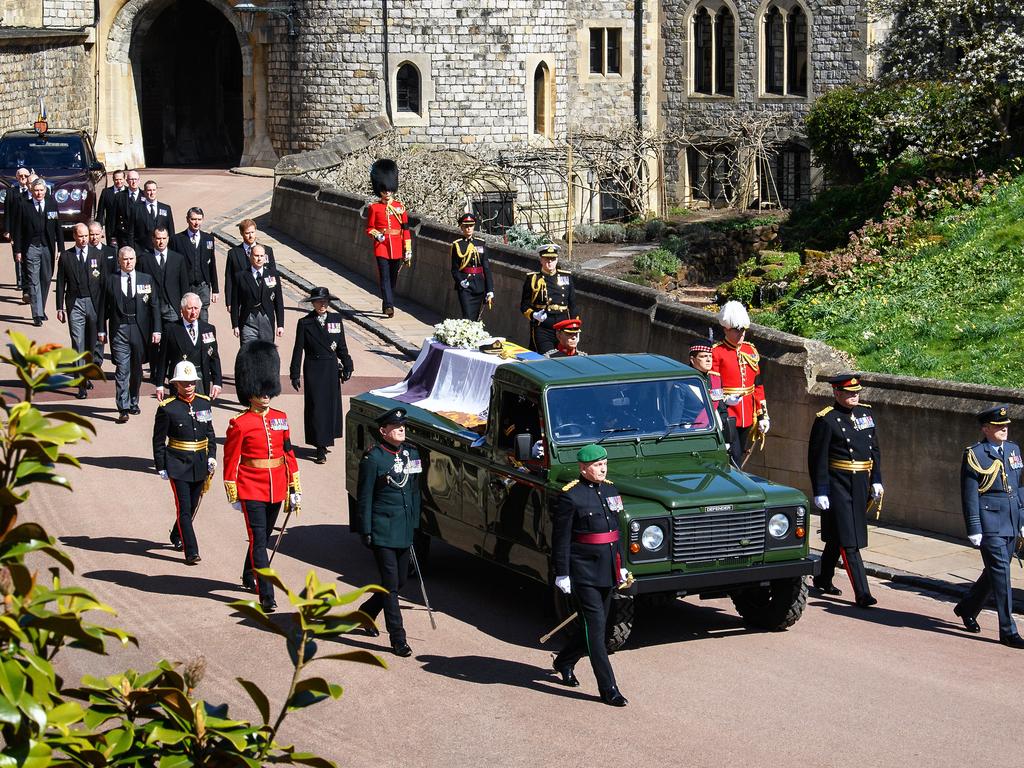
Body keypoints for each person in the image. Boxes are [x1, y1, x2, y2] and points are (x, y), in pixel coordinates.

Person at [222, 341, 300, 612]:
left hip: (276, 486)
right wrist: (233, 491)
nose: (265, 395)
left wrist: (294, 487)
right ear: (250, 390)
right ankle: (266, 593)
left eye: (268, 390)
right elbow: (230, 459)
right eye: (260, 390)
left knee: (262, 538)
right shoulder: (239, 423)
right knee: (257, 538)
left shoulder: (281, 418)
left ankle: (247, 572)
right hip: (251, 488)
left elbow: (288, 453)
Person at [552, 443, 629, 707]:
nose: (602, 468)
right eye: (597, 465)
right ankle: (609, 688)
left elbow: (616, 532)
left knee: (599, 626)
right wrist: (562, 574)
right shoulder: (571, 496)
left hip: (607, 569)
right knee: (596, 629)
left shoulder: (610, 489)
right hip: (583, 571)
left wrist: (622, 564)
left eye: (604, 463)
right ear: (583, 468)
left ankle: (564, 660)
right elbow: (561, 539)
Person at [807, 373, 882, 607]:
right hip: (837, 484)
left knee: (839, 535)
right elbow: (817, 458)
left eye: (856, 393)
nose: (854, 397)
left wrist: (877, 480)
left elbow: (874, 450)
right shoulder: (827, 419)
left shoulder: (865, 414)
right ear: (837, 393)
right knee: (850, 539)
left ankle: (822, 577)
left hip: (860, 482)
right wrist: (820, 490)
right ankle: (863, 593)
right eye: (849, 393)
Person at [953, 405, 1024, 647]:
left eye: (1005, 426)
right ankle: (1008, 631)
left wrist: (1022, 520)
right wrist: (974, 527)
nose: (1004, 429)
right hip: (990, 523)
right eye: (998, 427)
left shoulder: (1013, 449)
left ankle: (967, 607)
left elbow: (1017, 489)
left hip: (1012, 521)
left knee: (993, 574)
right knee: (1003, 575)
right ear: (986, 429)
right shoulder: (975, 454)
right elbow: (970, 495)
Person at [355, 407, 422, 657]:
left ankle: (366, 613)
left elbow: (414, 491)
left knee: (399, 581)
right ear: (384, 431)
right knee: (391, 586)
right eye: (396, 427)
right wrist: (366, 529)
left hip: (403, 528)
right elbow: (365, 496)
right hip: (382, 529)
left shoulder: (412, 453)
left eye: (403, 425)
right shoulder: (373, 458)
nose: (401, 429)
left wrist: (415, 524)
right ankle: (398, 638)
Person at [153, 360, 216, 565]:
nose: (188, 386)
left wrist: (212, 456)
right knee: (184, 508)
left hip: (199, 462)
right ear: (176, 384)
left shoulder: (203, 402)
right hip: (177, 463)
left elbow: (209, 433)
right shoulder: (167, 408)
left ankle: (176, 534)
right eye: (184, 383)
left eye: (191, 382)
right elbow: (158, 440)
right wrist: (161, 465)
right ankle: (191, 551)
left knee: (192, 504)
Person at [289, 286, 354, 464]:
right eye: (319, 301)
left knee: (329, 406)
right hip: (314, 369)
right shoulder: (305, 323)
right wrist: (294, 373)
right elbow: (298, 349)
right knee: (317, 407)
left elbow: (341, 345)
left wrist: (348, 363)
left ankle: (326, 440)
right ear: (313, 303)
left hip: (331, 368)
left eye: (325, 301)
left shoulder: (335, 319)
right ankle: (319, 446)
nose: (322, 304)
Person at [97, 246, 162, 423]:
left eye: (131, 259)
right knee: (122, 369)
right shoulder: (110, 280)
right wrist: (101, 329)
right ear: (119, 261)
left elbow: (154, 306)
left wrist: (157, 330)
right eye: (125, 259)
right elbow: (102, 307)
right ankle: (123, 406)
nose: (128, 262)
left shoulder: (145, 279)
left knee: (136, 369)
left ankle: (134, 400)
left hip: (140, 329)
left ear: (135, 260)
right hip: (120, 329)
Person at [711, 300, 768, 467]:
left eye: (743, 330)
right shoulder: (717, 352)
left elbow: (757, 385)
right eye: (737, 330)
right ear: (725, 329)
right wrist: (724, 399)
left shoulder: (750, 350)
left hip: (748, 412)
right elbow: (714, 385)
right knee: (733, 455)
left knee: (741, 454)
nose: (741, 334)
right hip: (728, 413)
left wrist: (763, 415)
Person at [55, 223, 105, 398]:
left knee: (91, 345)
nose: (84, 239)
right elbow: (61, 282)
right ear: (74, 236)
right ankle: (81, 383)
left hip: (93, 303)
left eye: (86, 236)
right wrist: (59, 307)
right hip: (74, 303)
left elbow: (104, 284)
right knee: (78, 342)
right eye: (81, 236)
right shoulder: (66, 257)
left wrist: (105, 307)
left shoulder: (98, 255)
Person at [365, 159, 412, 318]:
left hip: (397, 246)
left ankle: (389, 299)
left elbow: (405, 230)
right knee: (384, 276)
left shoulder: (400, 207)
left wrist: (408, 250)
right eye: (384, 190)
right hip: (382, 246)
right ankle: (388, 305)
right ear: (380, 190)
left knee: (393, 278)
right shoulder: (374, 207)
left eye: (389, 190)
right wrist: (377, 235)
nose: (387, 192)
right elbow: (369, 228)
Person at [154, 292, 223, 400]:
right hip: (180, 381)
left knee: (201, 413)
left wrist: (217, 383)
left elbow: (214, 358)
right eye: (190, 308)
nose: (193, 312)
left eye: (196, 308)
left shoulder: (208, 329)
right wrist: (160, 385)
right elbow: (163, 360)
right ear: (182, 310)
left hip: (200, 379)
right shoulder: (171, 329)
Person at [14, 177, 64, 327]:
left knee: (46, 277)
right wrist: (18, 250)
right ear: (31, 191)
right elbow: (18, 230)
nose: (39, 193)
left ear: (45, 191)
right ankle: (37, 313)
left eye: (41, 190)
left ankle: (41, 307)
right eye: (36, 190)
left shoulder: (51, 204)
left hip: (48, 247)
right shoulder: (24, 206)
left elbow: (57, 227)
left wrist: (61, 248)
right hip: (31, 247)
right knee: (34, 280)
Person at [520, 243, 577, 353]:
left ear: (557, 260)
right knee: (547, 357)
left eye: (552, 259)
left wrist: (574, 328)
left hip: (563, 327)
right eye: (546, 259)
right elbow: (524, 305)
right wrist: (534, 315)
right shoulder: (533, 278)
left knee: (566, 358)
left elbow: (572, 304)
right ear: (541, 260)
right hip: (543, 326)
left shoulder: (566, 277)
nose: (549, 262)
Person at [170, 207, 219, 323]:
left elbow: (212, 264)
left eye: (199, 219)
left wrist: (215, 289)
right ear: (187, 220)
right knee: (186, 316)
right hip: (186, 285)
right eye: (193, 219)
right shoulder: (177, 240)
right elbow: (173, 267)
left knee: (203, 316)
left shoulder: (208, 239)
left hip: (203, 286)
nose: (196, 223)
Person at [139, 227, 188, 338]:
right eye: (158, 238)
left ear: (168, 239)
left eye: (164, 238)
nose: (161, 241)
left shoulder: (178, 259)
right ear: (153, 239)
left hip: (172, 306)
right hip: (151, 306)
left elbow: (184, 285)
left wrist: (183, 306)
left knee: (173, 337)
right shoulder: (144, 259)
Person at [230, 244, 284, 346]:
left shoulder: (273, 275)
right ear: (250, 256)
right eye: (256, 256)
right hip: (248, 320)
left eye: (261, 256)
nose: (259, 259)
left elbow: (279, 301)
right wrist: (235, 325)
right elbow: (235, 303)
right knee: (248, 352)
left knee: (267, 352)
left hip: (267, 319)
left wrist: (280, 324)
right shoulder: (241, 276)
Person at [223, 219, 276, 315]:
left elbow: (273, 274)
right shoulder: (233, 253)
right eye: (247, 233)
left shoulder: (267, 251)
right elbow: (229, 278)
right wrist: (229, 301)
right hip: (242, 299)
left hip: (263, 298)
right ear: (241, 233)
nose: (251, 235)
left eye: (253, 232)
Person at [449, 212, 493, 320]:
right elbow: (454, 269)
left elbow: (486, 268)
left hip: (479, 284)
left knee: (477, 316)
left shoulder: (480, 243)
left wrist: (490, 289)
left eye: (471, 226)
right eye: (466, 226)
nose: (468, 229)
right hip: (466, 286)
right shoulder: (457, 245)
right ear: (461, 227)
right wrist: (460, 281)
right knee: (467, 315)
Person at [688, 340, 731, 445]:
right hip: (693, 433)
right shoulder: (684, 382)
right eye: (703, 356)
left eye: (710, 356)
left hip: (715, 434)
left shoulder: (715, 379)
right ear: (692, 360)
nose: (708, 360)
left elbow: (721, 409)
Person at [3, 167, 31, 291]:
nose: (23, 178)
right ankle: (20, 281)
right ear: (17, 178)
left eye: (25, 176)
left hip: (29, 230)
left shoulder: (32, 192)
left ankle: (28, 281)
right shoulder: (11, 192)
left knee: (29, 255)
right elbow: (7, 213)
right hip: (16, 230)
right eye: (21, 176)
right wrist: (7, 230)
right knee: (17, 255)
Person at [133, 180, 175, 248]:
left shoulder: (166, 208)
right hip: (142, 250)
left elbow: (171, 231)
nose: (152, 193)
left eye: (154, 190)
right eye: (149, 190)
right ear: (144, 192)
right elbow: (131, 232)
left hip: (161, 249)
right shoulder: (136, 209)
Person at [97, 169, 126, 249]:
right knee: (113, 251)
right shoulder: (106, 192)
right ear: (113, 179)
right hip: (111, 229)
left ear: (124, 179)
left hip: (126, 230)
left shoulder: (128, 192)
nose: (118, 181)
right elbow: (100, 211)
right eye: (116, 179)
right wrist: (99, 227)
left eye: (120, 179)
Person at [114, 169, 143, 249]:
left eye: (135, 179)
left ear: (139, 180)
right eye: (131, 179)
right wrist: (113, 237)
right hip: (124, 236)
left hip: (141, 237)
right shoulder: (119, 196)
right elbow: (113, 218)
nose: (133, 182)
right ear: (126, 181)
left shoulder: (145, 196)